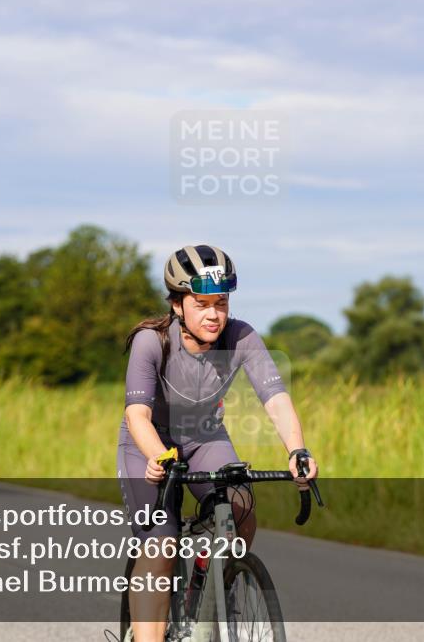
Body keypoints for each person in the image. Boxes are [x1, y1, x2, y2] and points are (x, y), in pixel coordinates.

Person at [117, 244, 319, 642]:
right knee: (161, 545)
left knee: (241, 506)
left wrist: (297, 450)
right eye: (202, 303)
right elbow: (136, 415)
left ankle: (219, 589)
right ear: (178, 304)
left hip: (206, 435)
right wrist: (159, 456)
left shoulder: (242, 337)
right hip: (152, 442)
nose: (214, 314)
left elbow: (275, 399)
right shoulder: (151, 341)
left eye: (221, 302)